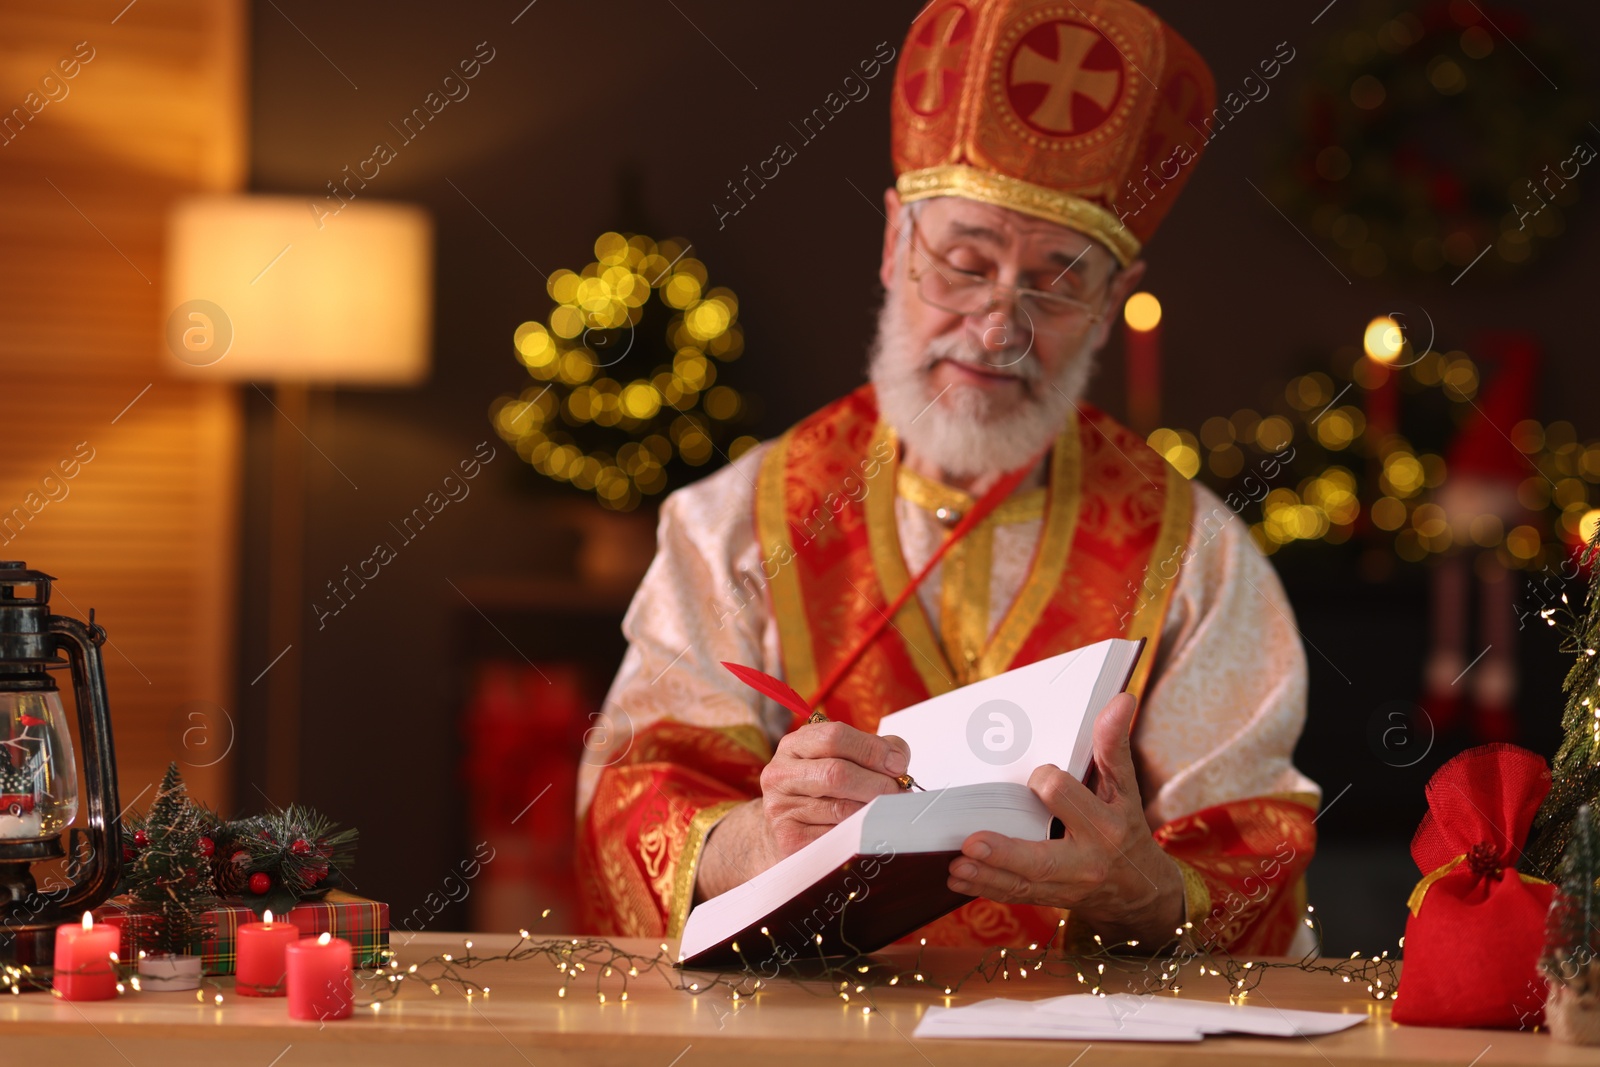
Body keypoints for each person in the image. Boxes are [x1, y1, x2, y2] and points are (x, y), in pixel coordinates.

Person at [576, 0, 1320, 956]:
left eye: (1058, 281)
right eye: (965, 263)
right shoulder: (731, 523)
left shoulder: (1199, 556)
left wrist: (1144, 888)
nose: (1000, 327)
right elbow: (631, 794)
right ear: (895, 244)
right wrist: (762, 838)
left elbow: (1258, 849)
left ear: (1110, 305)